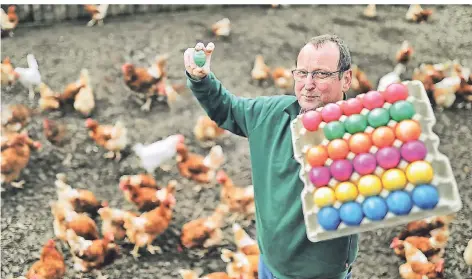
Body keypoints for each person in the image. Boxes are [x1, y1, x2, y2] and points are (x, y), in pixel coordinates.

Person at [183, 34, 358, 279]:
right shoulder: (272, 114)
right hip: (269, 263)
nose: (308, 83)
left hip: (320, 274)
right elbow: (228, 108)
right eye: (301, 73)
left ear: (346, 78)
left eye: (321, 74)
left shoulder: (361, 134)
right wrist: (201, 79)